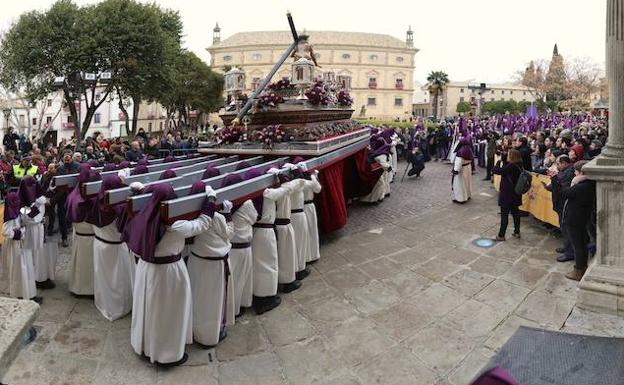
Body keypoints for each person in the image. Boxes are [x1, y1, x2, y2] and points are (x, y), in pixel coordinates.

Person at [125, 183, 212, 366]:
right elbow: (200, 225)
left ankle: (146, 345)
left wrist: (142, 190)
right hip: (168, 272)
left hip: (146, 268)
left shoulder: (143, 216)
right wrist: (209, 203)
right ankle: (167, 354)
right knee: (168, 312)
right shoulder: (174, 224)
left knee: (149, 309)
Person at [188, 189, 236, 348]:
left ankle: (194, 331)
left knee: (198, 297)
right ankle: (209, 335)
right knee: (213, 301)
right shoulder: (217, 217)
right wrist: (228, 214)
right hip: (214, 264)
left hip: (196, 261)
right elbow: (229, 234)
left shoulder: (187, 214)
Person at [90, 175, 134, 321]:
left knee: (103, 277)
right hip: (115, 248)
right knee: (118, 279)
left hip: (100, 245)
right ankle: (118, 307)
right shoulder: (120, 209)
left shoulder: (95, 203)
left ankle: (104, 303)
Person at [221, 173, 258, 317]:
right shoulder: (246, 202)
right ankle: (235, 309)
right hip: (242, 247)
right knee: (240, 279)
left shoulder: (223, 203)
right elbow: (254, 218)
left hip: (231, 247)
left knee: (234, 280)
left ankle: (234, 308)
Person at [249, 170, 285, 315]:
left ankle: (259, 297)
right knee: (268, 264)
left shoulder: (251, 194)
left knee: (258, 266)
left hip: (256, 232)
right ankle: (266, 299)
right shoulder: (267, 192)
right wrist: (281, 177)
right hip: (265, 232)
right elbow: (285, 189)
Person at [557, 160, 596, 281]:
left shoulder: (583, 186)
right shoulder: (587, 183)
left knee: (578, 244)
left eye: (576, 171)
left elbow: (563, 193)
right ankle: (581, 266)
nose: (574, 173)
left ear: (581, 172)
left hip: (575, 218)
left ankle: (579, 270)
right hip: (580, 217)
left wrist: (555, 179)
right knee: (581, 242)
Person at [66, 165, 100, 297]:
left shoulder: (73, 195)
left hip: (80, 235)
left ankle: (78, 287)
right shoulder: (91, 199)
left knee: (80, 263)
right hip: (89, 235)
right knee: (89, 264)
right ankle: (89, 289)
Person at [1, 192, 41, 303]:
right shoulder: (9, 217)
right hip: (15, 246)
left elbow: (27, 217)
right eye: (15, 202)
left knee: (26, 268)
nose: (17, 203)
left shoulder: (18, 211)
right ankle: (21, 293)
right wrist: (21, 232)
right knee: (19, 269)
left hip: (22, 244)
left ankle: (28, 292)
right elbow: (6, 232)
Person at [18, 176, 54, 289]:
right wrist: (37, 206)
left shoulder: (39, 197)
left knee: (39, 251)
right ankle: (32, 277)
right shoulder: (21, 199)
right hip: (29, 229)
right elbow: (27, 217)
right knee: (30, 252)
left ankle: (40, 276)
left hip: (39, 227)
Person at [273, 171, 306, 293]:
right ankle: (288, 282)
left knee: (283, 255)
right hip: (284, 225)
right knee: (287, 255)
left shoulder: (277, 191)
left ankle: (286, 280)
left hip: (278, 225)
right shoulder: (284, 190)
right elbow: (298, 182)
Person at [544, 155, 576, 262]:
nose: (557, 166)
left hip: (564, 204)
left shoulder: (569, 172)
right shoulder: (564, 171)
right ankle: (567, 247)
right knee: (563, 227)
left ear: (564, 163)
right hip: (559, 203)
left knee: (566, 227)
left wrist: (553, 177)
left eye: (558, 164)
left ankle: (570, 252)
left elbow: (560, 187)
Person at [493, 149, 523, 241]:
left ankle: (501, 235)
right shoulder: (519, 164)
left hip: (507, 193)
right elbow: (506, 169)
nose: (507, 156)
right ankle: (517, 231)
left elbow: (497, 171)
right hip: (515, 193)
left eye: (509, 154)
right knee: (515, 213)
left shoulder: (511, 166)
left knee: (504, 215)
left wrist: (498, 162)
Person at [56, 151, 81, 247]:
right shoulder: (60, 168)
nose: (66, 159)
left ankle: (77, 234)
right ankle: (64, 238)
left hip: (74, 194)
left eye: (68, 158)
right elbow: (58, 180)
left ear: (71, 158)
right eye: (65, 158)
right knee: (62, 216)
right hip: (62, 195)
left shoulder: (77, 166)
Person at [452, 137, 473, 204]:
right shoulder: (469, 149)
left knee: (460, 185)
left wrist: (455, 171)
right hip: (468, 167)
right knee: (467, 183)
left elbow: (458, 162)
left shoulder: (461, 152)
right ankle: (468, 195)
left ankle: (461, 198)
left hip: (462, 169)